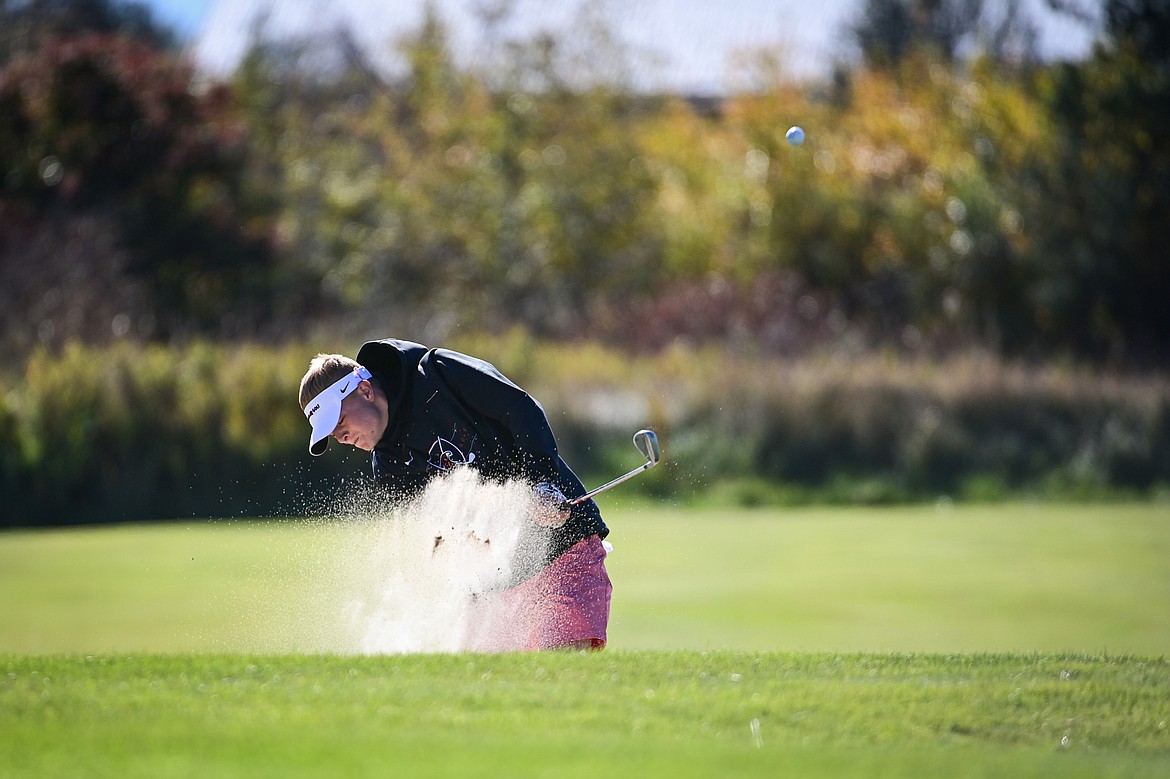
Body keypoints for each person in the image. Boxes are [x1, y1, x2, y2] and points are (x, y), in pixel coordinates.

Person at [298, 338, 612, 651]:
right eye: (333, 434)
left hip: (564, 546)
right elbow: (438, 537)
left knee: (563, 669)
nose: (341, 437)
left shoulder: (439, 373)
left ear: (365, 392)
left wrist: (542, 482)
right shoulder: (389, 466)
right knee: (494, 686)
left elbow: (520, 409)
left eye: (340, 422)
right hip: (494, 585)